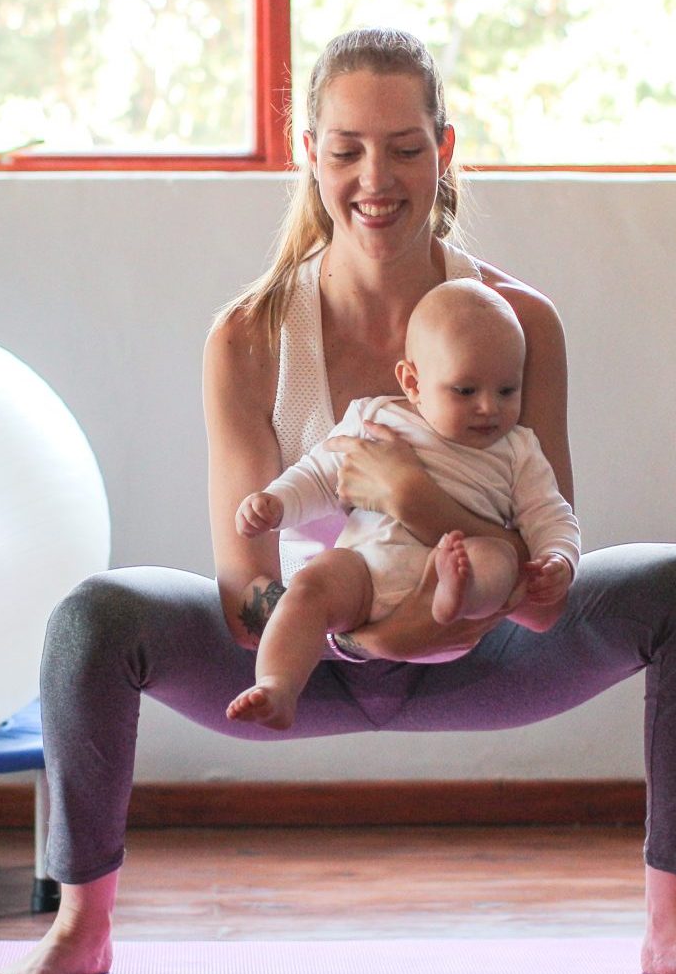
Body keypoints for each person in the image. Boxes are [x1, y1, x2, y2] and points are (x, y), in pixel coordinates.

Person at [0, 27, 676, 974]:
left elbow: (541, 579)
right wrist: (359, 621)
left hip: (480, 642)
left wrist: (412, 506)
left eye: (404, 147)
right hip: (302, 659)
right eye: (346, 148)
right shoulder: (248, 334)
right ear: (306, 154)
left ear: (444, 151)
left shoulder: (517, 320)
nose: (375, 177)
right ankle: (80, 926)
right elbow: (244, 597)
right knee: (91, 617)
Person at [227, 277, 582, 733]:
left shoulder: (518, 451)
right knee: (310, 587)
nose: (489, 409)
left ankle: (454, 593)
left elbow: (550, 515)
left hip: (459, 585)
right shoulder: (375, 418)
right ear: (412, 382)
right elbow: (320, 473)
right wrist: (275, 503)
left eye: (507, 391)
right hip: (365, 574)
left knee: (498, 559)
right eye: (466, 391)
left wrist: (558, 559)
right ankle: (277, 684)